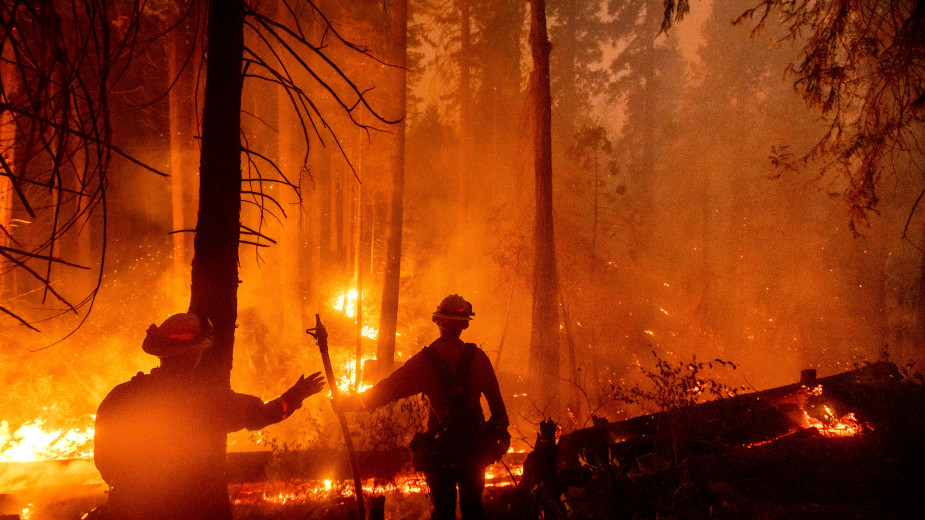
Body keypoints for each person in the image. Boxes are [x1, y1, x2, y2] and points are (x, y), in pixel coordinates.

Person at [90, 313, 324, 520]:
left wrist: (131, 488)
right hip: (192, 511)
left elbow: (104, 456)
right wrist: (296, 395)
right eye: (200, 349)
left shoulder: (122, 396)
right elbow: (261, 415)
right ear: (193, 354)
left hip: (132, 510)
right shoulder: (206, 401)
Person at [340, 294, 509, 520]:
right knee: (474, 509)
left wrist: (349, 403)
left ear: (438, 321)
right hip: (473, 452)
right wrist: (491, 442)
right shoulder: (478, 358)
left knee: (443, 512)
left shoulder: (426, 362)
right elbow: (499, 413)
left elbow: (386, 391)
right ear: (465, 324)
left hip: (441, 453)